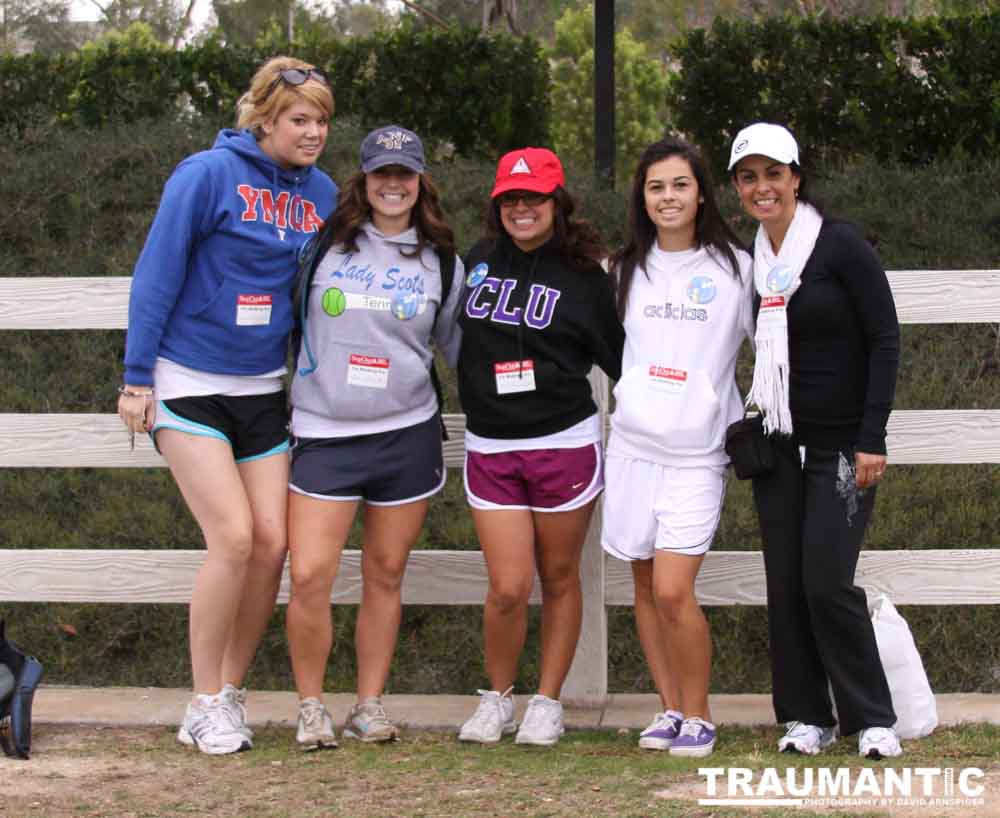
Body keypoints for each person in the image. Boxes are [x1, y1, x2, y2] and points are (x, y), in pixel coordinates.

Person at [117, 57, 337, 755]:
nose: (313, 133)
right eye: (300, 120)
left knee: (273, 544)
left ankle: (230, 695)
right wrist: (136, 377)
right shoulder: (205, 175)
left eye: (322, 121)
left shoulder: (323, 193)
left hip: (262, 390)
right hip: (187, 384)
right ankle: (202, 699)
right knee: (234, 539)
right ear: (264, 119)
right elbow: (157, 273)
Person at [284, 125, 463, 750]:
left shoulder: (441, 257)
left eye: (405, 174)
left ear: (420, 182)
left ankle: (369, 704)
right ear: (363, 180)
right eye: (381, 173)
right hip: (324, 433)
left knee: (386, 573)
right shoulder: (323, 246)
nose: (394, 184)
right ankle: (311, 707)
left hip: (405, 435)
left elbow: (458, 347)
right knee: (310, 575)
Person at [729, 122, 902, 759]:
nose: (762, 187)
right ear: (739, 188)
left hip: (838, 450)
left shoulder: (839, 247)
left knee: (827, 582)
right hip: (778, 447)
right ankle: (807, 716)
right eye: (749, 177)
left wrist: (871, 436)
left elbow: (884, 340)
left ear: (796, 177)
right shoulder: (752, 262)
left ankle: (871, 718)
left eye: (774, 174)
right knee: (787, 585)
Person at [456, 147, 624, 746]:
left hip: (563, 441)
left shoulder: (587, 274)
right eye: (510, 198)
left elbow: (621, 358)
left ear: (557, 202)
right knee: (507, 585)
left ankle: (547, 701)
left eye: (533, 197)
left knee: (558, 575)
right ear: (497, 204)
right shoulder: (476, 261)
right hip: (492, 444)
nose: (521, 208)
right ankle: (496, 699)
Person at [602, 139, 754, 758]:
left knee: (672, 589)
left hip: (698, 452)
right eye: (656, 187)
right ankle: (669, 710)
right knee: (642, 586)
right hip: (633, 447)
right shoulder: (621, 270)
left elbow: (774, 344)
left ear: (700, 194)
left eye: (680, 185)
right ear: (643, 196)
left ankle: (700, 713)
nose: (668, 197)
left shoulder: (736, 270)